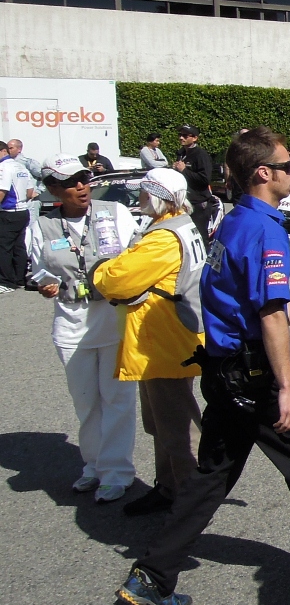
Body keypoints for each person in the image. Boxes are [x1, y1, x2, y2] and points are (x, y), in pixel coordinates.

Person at [114, 126, 290, 605]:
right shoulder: (264, 228)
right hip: (252, 372)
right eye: (287, 166)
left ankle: (151, 576)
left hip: (222, 370)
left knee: (212, 475)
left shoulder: (235, 221)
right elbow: (267, 313)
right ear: (263, 173)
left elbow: (263, 299)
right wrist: (286, 387)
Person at [92, 167, 205, 518]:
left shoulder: (163, 237)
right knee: (163, 422)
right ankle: (170, 487)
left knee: (174, 426)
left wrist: (100, 267)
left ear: (158, 196)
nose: (139, 197)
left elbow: (116, 281)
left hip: (164, 340)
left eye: (144, 191)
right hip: (169, 337)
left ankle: (189, 500)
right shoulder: (181, 225)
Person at [28, 154, 138, 503]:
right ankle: (93, 466)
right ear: (53, 189)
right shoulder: (41, 226)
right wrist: (45, 283)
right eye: (71, 181)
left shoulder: (115, 213)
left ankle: (117, 472)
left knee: (118, 400)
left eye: (84, 179)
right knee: (87, 402)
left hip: (113, 320)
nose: (81, 186)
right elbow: (37, 268)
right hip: (71, 325)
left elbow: (135, 253)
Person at [0, 142, 37, 292]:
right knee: (19, 246)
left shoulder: (3, 167)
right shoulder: (21, 166)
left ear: (3, 151)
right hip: (23, 211)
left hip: (9, 212)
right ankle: (19, 278)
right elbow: (30, 193)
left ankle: (6, 282)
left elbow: (2, 191)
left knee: (4, 248)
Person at [173, 125, 217, 243]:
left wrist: (184, 170)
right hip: (184, 202)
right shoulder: (181, 153)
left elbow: (204, 180)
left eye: (185, 136)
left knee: (200, 237)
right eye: (180, 135)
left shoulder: (201, 155)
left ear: (194, 138)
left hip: (199, 204)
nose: (181, 138)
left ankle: (204, 260)